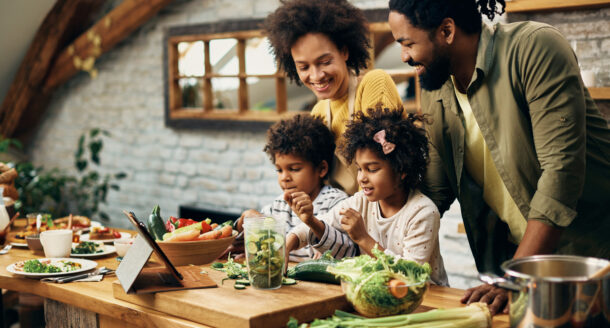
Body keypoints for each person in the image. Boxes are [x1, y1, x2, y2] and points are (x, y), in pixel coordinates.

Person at [388, 0, 610, 314]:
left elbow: (561, 176)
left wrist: (512, 278)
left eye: (408, 43)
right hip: (526, 268)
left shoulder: (534, 48)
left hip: (593, 258)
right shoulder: (437, 88)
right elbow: (435, 192)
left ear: (447, 31)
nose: (404, 57)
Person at [286, 106, 448, 286]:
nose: (362, 178)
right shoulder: (360, 201)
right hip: (382, 295)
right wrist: (287, 245)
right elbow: (320, 222)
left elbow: (411, 274)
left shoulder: (422, 212)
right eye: (359, 169)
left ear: (401, 169)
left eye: (372, 169)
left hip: (427, 298)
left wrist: (364, 239)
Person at [265, 0, 404, 195]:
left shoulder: (374, 83)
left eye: (324, 62)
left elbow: (385, 167)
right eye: (304, 67)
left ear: (344, 51)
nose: (316, 76)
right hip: (340, 218)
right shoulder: (319, 112)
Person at [233, 114, 348, 262]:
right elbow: (242, 241)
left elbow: (347, 248)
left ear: (321, 169)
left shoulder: (336, 202)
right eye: (279, 170)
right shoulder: (279, 205)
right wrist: (245, 220)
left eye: (294, 169)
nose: (284, 177)